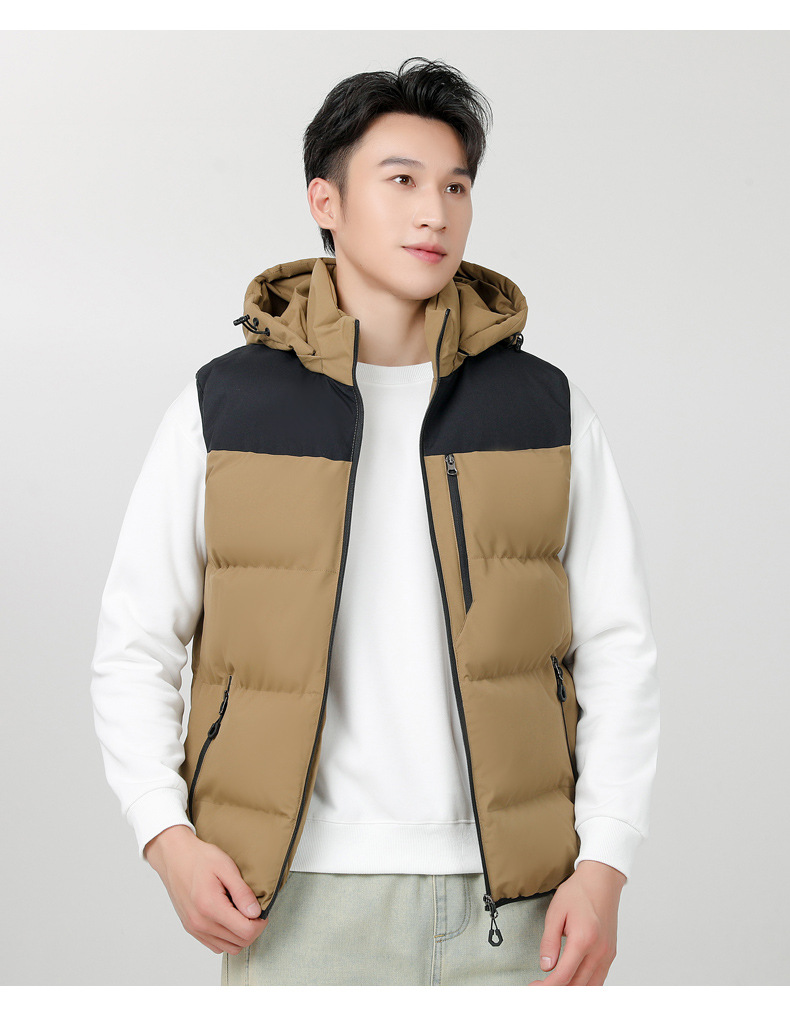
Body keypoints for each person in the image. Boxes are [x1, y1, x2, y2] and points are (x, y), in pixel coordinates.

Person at [90, 57, 659, 987]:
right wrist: (167, 836)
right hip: (294, 898)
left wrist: (605, 863)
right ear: (326, 200)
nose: (435, 212)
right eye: (401, 180)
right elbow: (135, 642)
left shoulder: (546, 410)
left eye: (455, 186)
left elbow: (618, 649)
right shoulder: (224, 410)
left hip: (516, 901)